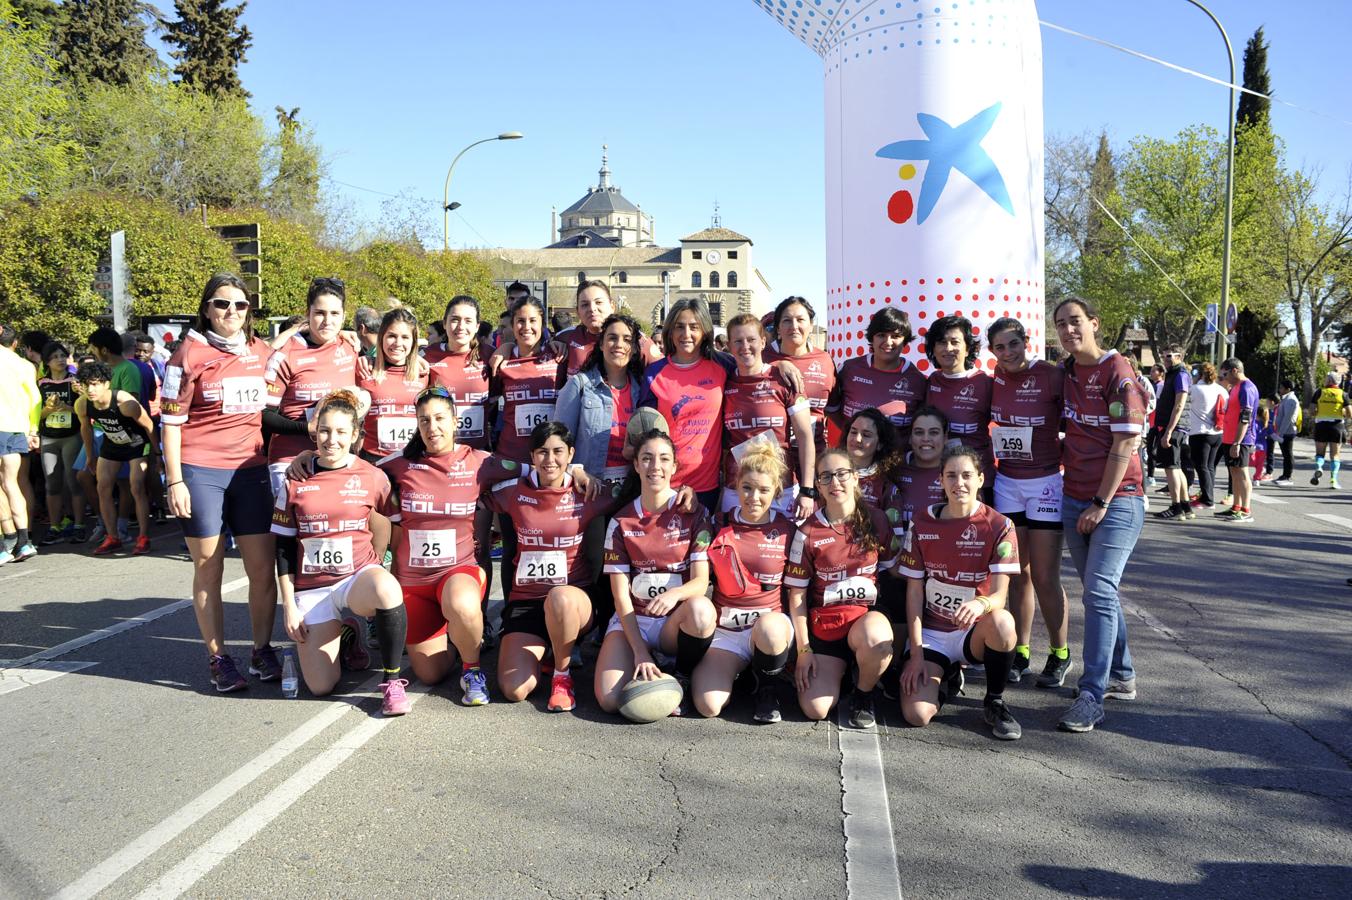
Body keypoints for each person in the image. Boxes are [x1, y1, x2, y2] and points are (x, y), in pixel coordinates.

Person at [162, 274, 282, 691]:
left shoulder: (260, 351)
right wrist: (175, 480)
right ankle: (218, 657)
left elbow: (289, 383)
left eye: (240, 305)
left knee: (262, 570)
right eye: (221, 304)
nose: (231, 312)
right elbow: (171, 424)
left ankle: (262, 649)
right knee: (209, 567)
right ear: (206, 308)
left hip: (251, 471)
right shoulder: (187, 355)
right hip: (200, 471)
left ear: (250, 311)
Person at [376, 386, 520, 704]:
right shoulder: (400, 464)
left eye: (440, 418)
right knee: (430, 673)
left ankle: (472, 670)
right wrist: (306, 457)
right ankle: (456, 641)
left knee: (462, 605)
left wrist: (576, 475)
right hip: (414, 585)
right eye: (424, 420)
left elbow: (536, 471)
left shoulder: (479, 462)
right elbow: (350, 470)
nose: (432, 427)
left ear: (456, 421)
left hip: (458, 571)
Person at [273, 390, 411, 716]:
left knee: (387, 589)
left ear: (354, 436)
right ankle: (347, 634)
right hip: (312, 587)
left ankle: (392, 683)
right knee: (321, 687)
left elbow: (397, 523)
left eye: (340, 432)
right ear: (314, 432)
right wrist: (289, 607)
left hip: (355, 579)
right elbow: (282, 549)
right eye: (324, 430)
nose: (330, 439)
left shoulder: (373, 476)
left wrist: (386, 564)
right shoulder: (295, 478)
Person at [1053, 297, 1149, 734]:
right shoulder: (1068, 371)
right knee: (1101, 591)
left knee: (1098, 590)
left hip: (1117, 500)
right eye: (1061, 325)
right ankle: (1123, 675)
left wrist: (1100, 503)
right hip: (1075, 497)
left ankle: (1092, 692)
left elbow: (1124, 446)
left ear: (1094, 323)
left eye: (1076, 322)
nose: (1069, 330)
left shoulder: (1118, 372)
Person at [486, 422, 619, 712]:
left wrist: (578, 471)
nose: (550, 460)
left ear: (570, 453)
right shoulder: (512, 492)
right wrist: (522, 469)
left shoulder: (588, 492)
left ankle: (562, 676)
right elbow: (483, 473)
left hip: (573, 601)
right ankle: (549, 648)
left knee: (559, 596)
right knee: (514, 690)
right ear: (532, 456)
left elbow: (636, 499)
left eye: (558, 452)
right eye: (542, 453)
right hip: (527, 603)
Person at [897, 444, 1024, 740]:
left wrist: (981, 604)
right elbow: (914, 593)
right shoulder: (921, 521)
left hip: (973, 632)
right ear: (940, 481)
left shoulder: (1000, 526)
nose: (959, 483)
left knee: (1003, 623)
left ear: (980, 479)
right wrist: (915, 654)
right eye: (951, 476)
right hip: (932, 634)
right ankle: (948, 677)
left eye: (967, 475)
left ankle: (994, 701)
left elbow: (1000, 597)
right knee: (915, 715)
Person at [639, 297, 802, 515]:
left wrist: (780, 364)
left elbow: (751, 362)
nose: (686, 334)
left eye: (694, 327)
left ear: (705, 331)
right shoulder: (654, 372)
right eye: (679, 327)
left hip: (708, 483)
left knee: (702, 545)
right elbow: (645, 429)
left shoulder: (721, 364)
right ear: (669, 331)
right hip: (666, 481)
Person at [594, 430, 716, 715]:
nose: (655, 467)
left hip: (674, 624)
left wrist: (675, 595)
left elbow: (700, 581)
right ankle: (648, 662)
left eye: (663, 459)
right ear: (636, 465)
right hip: (634, 621)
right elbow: (621, 597)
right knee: (611, 701)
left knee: (702, 611)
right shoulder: (621, 521)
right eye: (647, 459)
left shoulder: (695, 514)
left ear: (674, 466)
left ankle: (682, 675)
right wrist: (639, 651)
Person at [787, 448, 899, 729]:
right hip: (826, 627)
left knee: (877, 638)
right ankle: (846, 671)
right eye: (826, 477)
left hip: (864, 623)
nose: (834, 482)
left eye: (841, 474)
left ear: (855, 479)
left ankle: (864, 694)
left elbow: (898, 573)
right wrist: (803, 651)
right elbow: (797, 595)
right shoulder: (807, 531)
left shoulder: (878, 520)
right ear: (819, 487)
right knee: (815, 709)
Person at [988, 317, 1072, 688]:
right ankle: (1021, 650)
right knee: (1017, 574)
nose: (1007, 353)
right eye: (999, 347)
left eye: (1013, 344)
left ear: (1026, 342)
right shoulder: (995, 379)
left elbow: (1078, 421)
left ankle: (1059, 652)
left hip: (1046, 482)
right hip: (1008, 482)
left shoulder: (1051, 375)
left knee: (1044, 575)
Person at [692, 442, 797, 723]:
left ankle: (767, 687)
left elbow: (799, 591)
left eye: (763, 490)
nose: (754, 497)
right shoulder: (717, 522)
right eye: (747, 487)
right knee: (708, 705)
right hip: (727, 630)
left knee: (770, 629)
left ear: (775, 491)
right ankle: (742, 675)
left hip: (769, 628)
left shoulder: (789, 529)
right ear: (736, 486)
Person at [263, 277, 360, 497]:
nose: (327, 321)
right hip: (290, 460)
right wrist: (307, 428)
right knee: (292, 531)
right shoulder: (285, 354)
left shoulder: (350, 347)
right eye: (320, 313)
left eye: (335, 314)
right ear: (308, 314)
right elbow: (264, 416)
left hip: (337, 457)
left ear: (344, 316)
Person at [720, 313, 817, 520]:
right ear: (728, 345)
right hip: (736, 489)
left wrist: (808, 490)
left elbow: (805, 435)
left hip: (780, 489)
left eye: (751, 340)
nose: (745, 346)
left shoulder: (784, 379)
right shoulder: (723, 382)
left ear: (763, 342)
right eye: (738, 341)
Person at [554, 313, 647, 486]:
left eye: (627, 339)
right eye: (612, 338)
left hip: (631, 490)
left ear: (634, 348)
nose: (619, 344)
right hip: (589, 490)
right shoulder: (579, 385)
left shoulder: (642, 390)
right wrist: (575, 471)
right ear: (602, 344)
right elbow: (558, 443)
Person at [74, 361, 155, 556]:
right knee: (103, 487)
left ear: (106, 384)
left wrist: (158, 455)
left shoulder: (124, 402)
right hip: (112, 443)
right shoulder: (82, 403)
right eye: (86, 384)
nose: (90, 389)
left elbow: (149, 425)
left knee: (136, 486)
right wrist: (90, 455)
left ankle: (143, 537)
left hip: (136, 443)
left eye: (95, 384)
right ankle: (113, 537)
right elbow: (85, 428)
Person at [827, 307, 927, 444]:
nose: (888, 341)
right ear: (872, 338)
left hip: (897, 461)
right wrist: (851, 434)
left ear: (905, 341)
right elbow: (831, 409)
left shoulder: (918, 380)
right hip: (853, 458)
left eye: (896, 336)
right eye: (881, 335)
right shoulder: (849, 369)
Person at [923, 315, 995, 489]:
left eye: (955, 342)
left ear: (968, 348)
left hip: (977, 480)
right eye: (941, 342)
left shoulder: (985, 383)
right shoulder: (931, 381)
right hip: (940, 478)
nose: (948, 348)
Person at [765, 296, 837, 453]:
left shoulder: (825, 361)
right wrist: (776, 365)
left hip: (815, 457)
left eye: (800, 320)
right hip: (772, 460)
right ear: (778, 328)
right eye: (787, 321)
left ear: (811, 325)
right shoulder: (761, 359)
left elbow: (836, 410)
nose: (794, 326)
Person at [356, 309, 427, 462]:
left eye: (405, 337)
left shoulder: (425, 373)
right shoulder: (363, 369)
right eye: (392, 336)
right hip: (372, 459)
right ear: (381, 337)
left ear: (414, 341)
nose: (398, 343)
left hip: (413, 459)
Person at [555, 281, 664, 379]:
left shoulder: (635, 338)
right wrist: (554, 344)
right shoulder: (567, 337)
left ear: (612, 306)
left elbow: (663, 371)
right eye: (585, 305)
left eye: (598, 302)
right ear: (578, 311)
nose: (592, 309)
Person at [37, 342, 86, 545]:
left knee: (73, 482)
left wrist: (70, 405)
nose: (60, 359)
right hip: (48, 438)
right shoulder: (41, 384)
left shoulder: (75, 381)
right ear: (47, 361)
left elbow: (86, 409)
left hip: (71, 437)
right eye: (55, 356)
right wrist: (48, 411)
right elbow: (35, 414)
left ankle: (79, 526)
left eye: (63, 355)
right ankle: (54, 526)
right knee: (52, 484)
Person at [0, 325, 41, 563]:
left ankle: (8, 540)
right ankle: (24, 542)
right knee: (12, 483)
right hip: (17, 428)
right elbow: (35, 399)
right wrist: (32, 429)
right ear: (15, 343)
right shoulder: (25, 365)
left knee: (3, 485)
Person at [1148, 346, 1193, 520]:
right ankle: (1185, 505)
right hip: (1173, 427)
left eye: (1169, 356)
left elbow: (1179, 404)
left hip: (1174, 428)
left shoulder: (1180, 374)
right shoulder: (1174, 374)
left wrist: (1168, 431)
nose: (1165, 360)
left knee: (1171, 468)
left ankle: (1176, 508)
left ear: (1179, 356)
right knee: (1176, 467)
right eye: (1163, 356)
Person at [1217, 358, 1260, 520]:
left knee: (1242, 473)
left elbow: (1245, 417)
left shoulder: (1247, 388)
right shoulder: (1235, 387)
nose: (1224, 377)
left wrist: (1237, 442)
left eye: (1225, 374)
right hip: (1229, 437)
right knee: (1233, 472)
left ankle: (1246, 509)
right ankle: (1236, 506)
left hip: (1241, 438)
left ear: (1235, 370)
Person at [891, 406, 948, 526]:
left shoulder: (957, 473)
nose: (926, 439)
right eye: (919, 432)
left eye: (934, 432)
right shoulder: (893, 469)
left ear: (945, 438)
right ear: (910, 438)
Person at [839, 408, 903, 511]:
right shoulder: (829, 473)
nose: (857, 439)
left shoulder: (886, 487)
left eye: (866, 435)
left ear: (880, 444)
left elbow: (891, 527)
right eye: (853, 432)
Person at [1185, 363, 1227, 510]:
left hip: (1199, 432)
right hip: (1217, 433)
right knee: (1209, 466)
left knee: (1201, 466)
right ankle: (1207, 495)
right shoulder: (1221, 389)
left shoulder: (1195, 389)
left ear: (1200, 374)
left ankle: (1208, 499)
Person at [1309, 372, 1350, 489]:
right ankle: (1333, 480)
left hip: (1321, 425)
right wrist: (1342, 413)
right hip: (1337, 426)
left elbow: (1311, 411)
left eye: (1326, 378)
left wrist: (1318, 413)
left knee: (1320, 453)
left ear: (1329, 381)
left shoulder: (1319, 392)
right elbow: (1350, 413)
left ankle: (1319, 467)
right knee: (1335, 455)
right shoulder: (1343, 394)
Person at [1273, 378, 1301, 485]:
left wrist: (1280, 433)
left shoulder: (1291, 400)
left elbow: (1287, 419)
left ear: (1288, 389)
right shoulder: (1286, 398)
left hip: (1287, 432)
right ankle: (1285, 474)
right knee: (1285, 454)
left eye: (1281, 387)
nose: (1279, 389)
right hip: (1283, 431)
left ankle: (1287, 475)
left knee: (1288, 454)